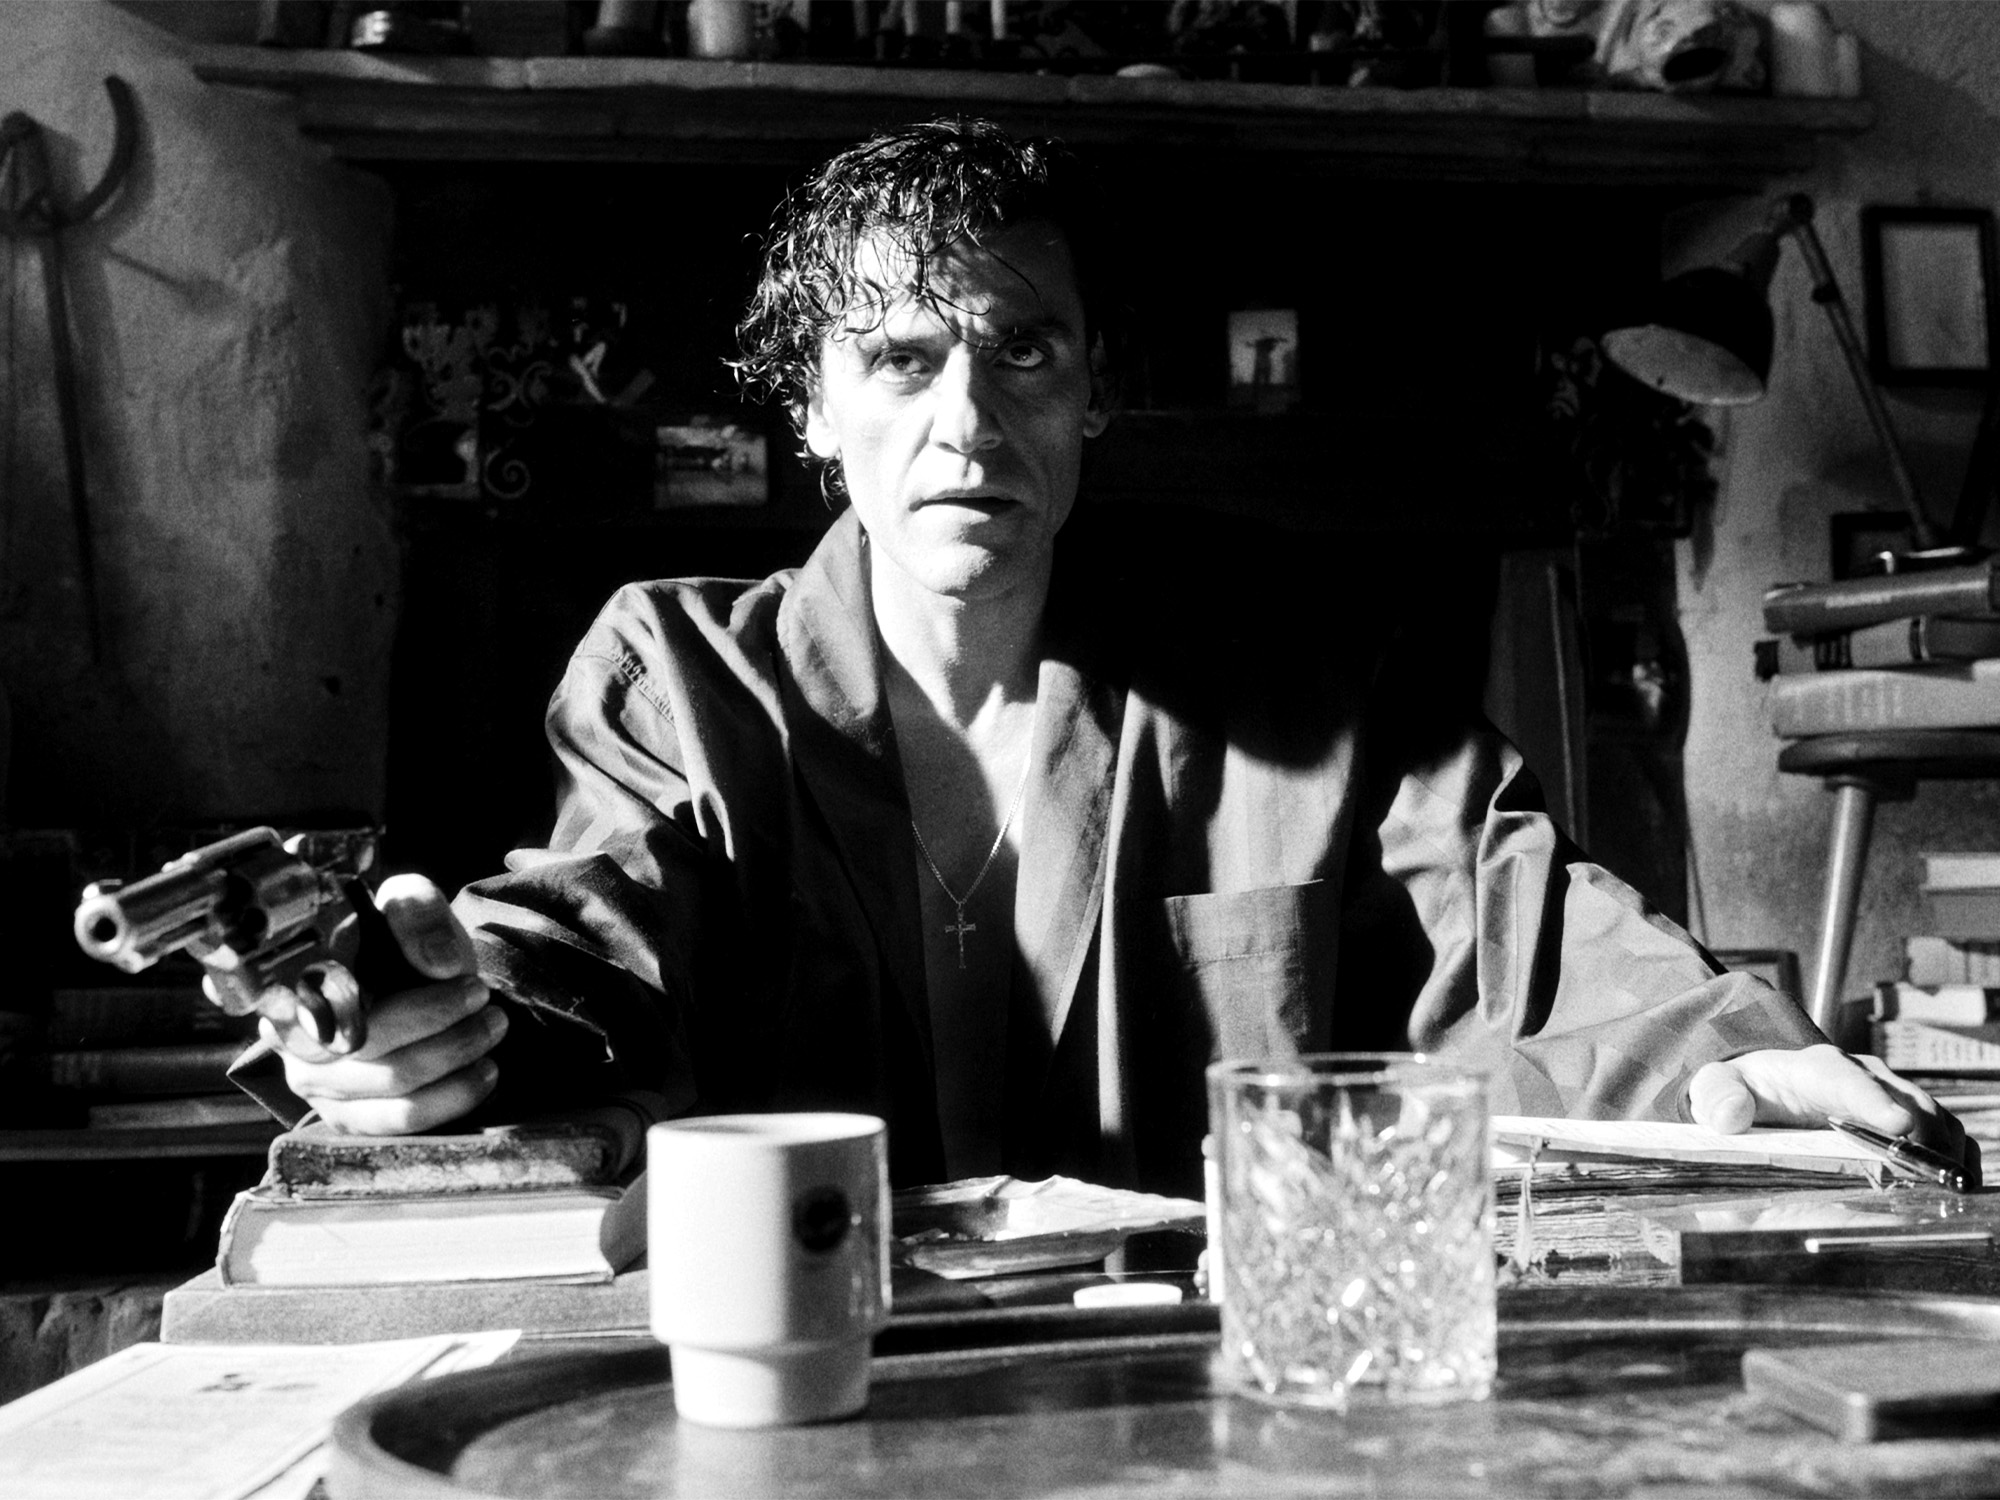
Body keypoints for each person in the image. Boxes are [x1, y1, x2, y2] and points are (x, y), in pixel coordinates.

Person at [242, 117, 1970, 1195]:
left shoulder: (1295, 670)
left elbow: (1523, 914)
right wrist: (446, 1009)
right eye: (901, 358)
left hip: (1215, 1390)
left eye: (1024, 353)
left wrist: (1732, 1040)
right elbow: (589, 932)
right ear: (812, 411)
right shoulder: (681, 678)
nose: (967, 419)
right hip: (817, 1390)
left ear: (1092, 399)